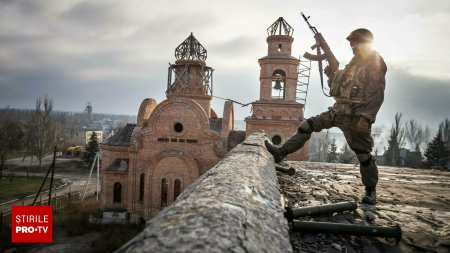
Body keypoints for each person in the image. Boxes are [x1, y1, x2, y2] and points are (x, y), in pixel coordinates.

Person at [265, 28, 387, 205]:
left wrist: (366, 118)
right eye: (351, 43)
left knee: (363, 155)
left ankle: (370, 191)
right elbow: (341, 87)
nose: (352, 46)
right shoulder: (354, 63)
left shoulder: (374, 63)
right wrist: (332, 75)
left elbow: (376, 95)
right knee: (308, 125)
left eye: (355, 42)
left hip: (356, 115)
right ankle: (280, 153)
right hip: (338, 111)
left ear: (366, 43)